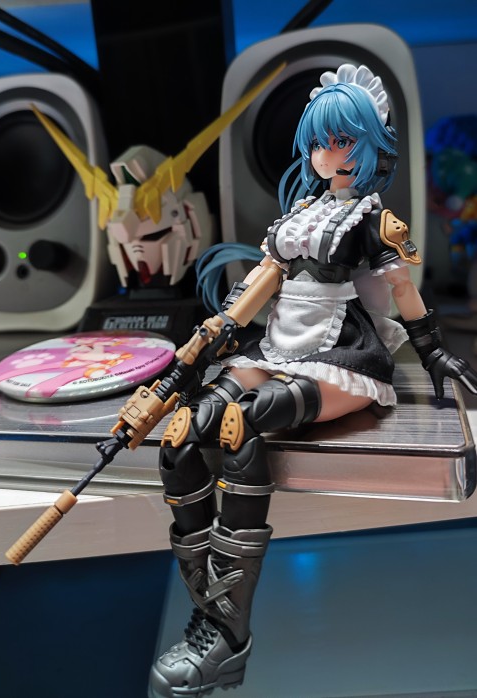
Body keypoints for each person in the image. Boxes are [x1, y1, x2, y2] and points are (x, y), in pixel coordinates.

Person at [148, 64, 477, 698]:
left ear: (370, 143)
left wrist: (433, 351)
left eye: (343, 141)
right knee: (183, 433)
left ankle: (228, 635)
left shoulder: (372, 222)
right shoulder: (299, 215)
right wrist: (212, 334)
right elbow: (259, 284)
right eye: (321, 142)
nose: (329, 154)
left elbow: (403, 292)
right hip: (277, 347)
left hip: (343, 357)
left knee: (240, 427)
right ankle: (208, 616)